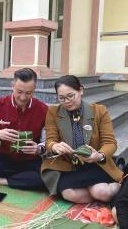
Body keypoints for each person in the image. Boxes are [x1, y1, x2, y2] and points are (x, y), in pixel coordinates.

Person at [41, 75, 122, 203]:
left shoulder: (99, 111)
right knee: (70, 194)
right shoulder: (53, 112)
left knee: (102, 192)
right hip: (68, 166)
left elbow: (110, 143)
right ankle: (95, 193)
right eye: (61, 98)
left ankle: (119, 185)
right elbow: (50, 140)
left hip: (94, 163)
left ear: (81, 90)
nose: (67, 101)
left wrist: (99, 155)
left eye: (71, 96)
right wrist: (54, 146)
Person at [0, 68, 48, 190]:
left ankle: (0, 180)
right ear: (12, 85)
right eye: (19, 91)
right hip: (5, 158)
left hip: (30, 161)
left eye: (29, 93)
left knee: (46, 176)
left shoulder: (43, 109)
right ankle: (22, 179)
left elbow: (47, 141)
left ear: (34, 89)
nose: (23, 97)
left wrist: (39, 148)